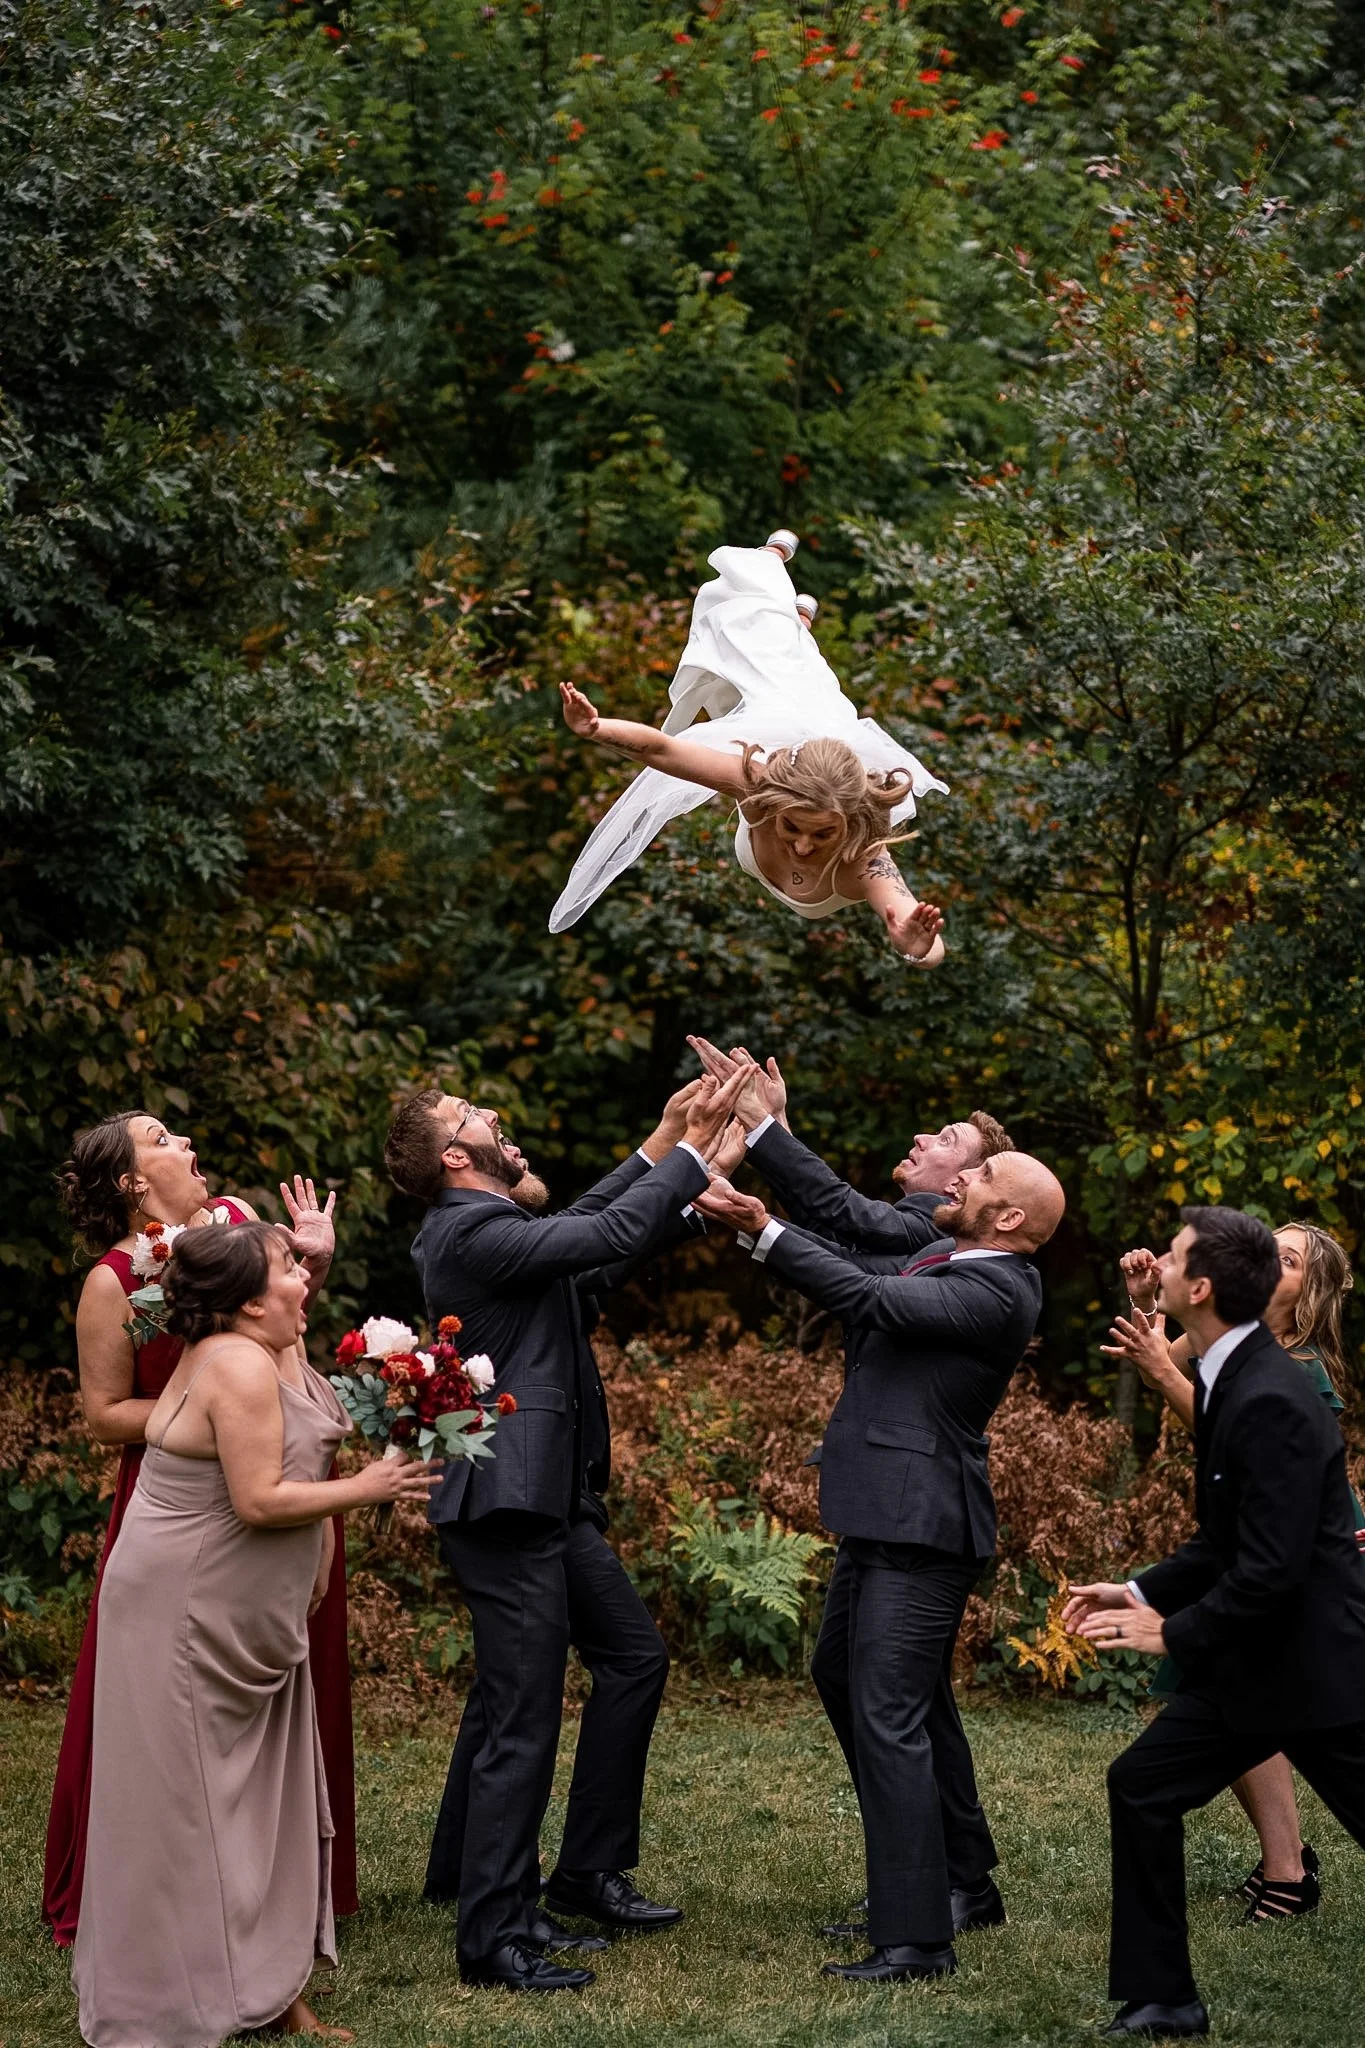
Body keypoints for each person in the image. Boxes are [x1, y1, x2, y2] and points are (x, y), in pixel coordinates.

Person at [384, 1071, 745, 1993]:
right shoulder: (471, 1229)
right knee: (522, 1713)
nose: (497, 1116)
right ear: (457, 1159)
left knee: (630, 1655)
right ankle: (493, 1936)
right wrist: (691, 1152)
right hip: (508, 1501)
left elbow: (589, 1239)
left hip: (543, 1494)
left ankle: (582, 1870)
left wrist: (668, 1141)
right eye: (476, 1118)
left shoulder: (494, 1232)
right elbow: (608, 1231)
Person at [701, 1150, 1066, 1984]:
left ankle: (915, 1938)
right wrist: (767, 1222)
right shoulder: (944, 1256)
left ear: (1007, 1218)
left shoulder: (997, 1287)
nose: (958, 1179)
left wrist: (764, 1230)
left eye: (979, 1177)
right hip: (888, 1517)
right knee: (853, 1680)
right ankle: (962, 1879)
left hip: (922, 1526)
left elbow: (865, 1295)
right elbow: (852, 1256)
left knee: (888, 1714)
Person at [72, 1223, 438, 2048]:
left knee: (262, 1799)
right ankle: (176, 1997)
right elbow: (260, 1500)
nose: (305, 1279)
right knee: (190, 1806)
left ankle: (272, 1990)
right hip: (185, 1606)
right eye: (288, 1269)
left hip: (248, 1607)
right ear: (246, 1298)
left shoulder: (269, 1343)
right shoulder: (235, 1363)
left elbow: (310, 1443)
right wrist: (370, 1487)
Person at [43, 1112, 359, 1946]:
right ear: (129, 1182)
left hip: (280, 1479)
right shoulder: (115, 1280)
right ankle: (155, 1881)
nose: (185, 1141)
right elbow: (106, 1415)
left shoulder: (234, 1225)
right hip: (182, 1501)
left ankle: (293, 1877)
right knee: (166, 1698)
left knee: (295, 1669)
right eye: (161, 1138)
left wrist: (311, 1266)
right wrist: (214, 1419)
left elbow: (273, 1334)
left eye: (182, 1133)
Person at [1067, 1207, 1365, 2042]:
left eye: (1170, 1256)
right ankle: (1163, 2000)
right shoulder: (1231, 1371)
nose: (1156, 1262)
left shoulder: (1270, 1392)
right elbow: (1221, 1539)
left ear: (1197, 1288)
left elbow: (1270, 1569)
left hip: (1311, 1667)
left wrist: (1175, 1632)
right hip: (1259, 1668)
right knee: (1142, 1783)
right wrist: (1134, 1589)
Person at [550, 532, 949, 960]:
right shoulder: (756, 783)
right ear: (774, 796)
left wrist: (917, 949)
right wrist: (595, 728)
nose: (802, 846)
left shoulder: (863, 857)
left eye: (823, 833)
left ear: (848, 823)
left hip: (810, 732)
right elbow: (664, 751)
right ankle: (770, 562)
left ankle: (795, 619)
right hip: (793, 735)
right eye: (792, 826)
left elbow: (924, 937)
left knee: (776, 682)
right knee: (759, 668)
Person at [687, 1032, 1014, 1255]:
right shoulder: (917, 1228)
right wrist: (774, 1119)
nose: (921, 1138)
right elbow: (825, 1229)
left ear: (963, 1184)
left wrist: (758, 1118)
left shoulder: (942, 1230)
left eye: (946, 1140)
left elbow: (842, 1207)